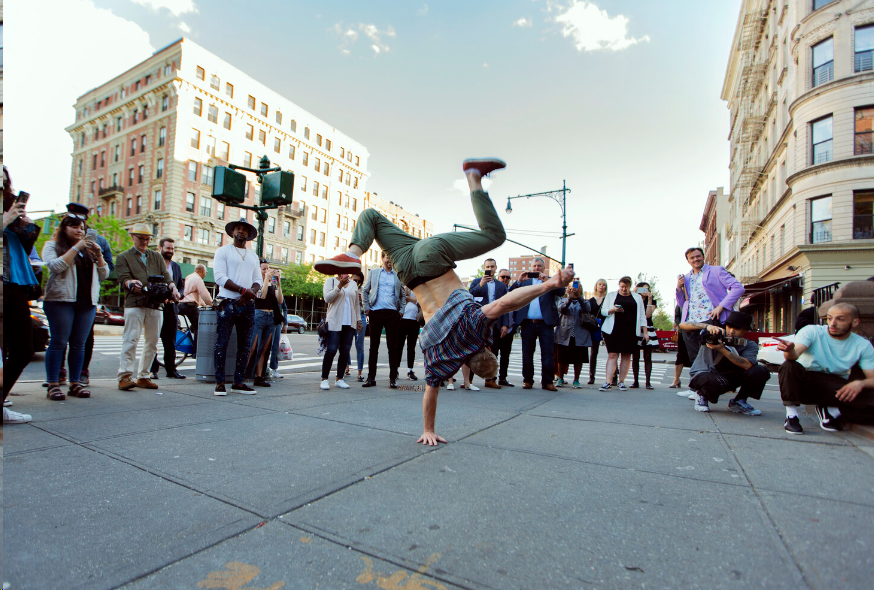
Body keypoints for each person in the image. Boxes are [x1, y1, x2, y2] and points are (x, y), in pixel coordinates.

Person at [314, 158, 576, 445]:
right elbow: (430, 392)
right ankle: (352, 255)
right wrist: (427, 430)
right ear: (469, 365)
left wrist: (550, 284)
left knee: (494, 235)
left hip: (430, 256)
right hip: (407, 271)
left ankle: (356, 250)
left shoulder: (476, 327)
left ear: (486, 349)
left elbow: (506, 303)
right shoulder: (444, 357)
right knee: (373, 217)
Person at [777, 303, 874, 434]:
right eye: (829, 318)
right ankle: (792, 416)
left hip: (836, 386)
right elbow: (794, 356)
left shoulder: (863, 345)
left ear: (855, 322)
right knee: (789, 366)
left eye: (840, 319)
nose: (832, 323)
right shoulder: (812, 331)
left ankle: (832, 410)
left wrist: (860, 383)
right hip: (806, 381)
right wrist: (789, 350)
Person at [42, 215, 109, 400]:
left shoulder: (88, 250)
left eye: (82, 228)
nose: (80, 231)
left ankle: (75, 383)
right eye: (75, 227)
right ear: (64, 228)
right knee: (58, 342)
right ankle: (53, 384)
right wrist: (76, 248)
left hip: (87, 303)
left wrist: (99, 254)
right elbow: (55, 266)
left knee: (79, 345)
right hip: (61, 300)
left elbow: (104, 274)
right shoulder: (52, 245)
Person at [55, 202, 115, 386]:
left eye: (80, 221)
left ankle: (82, 372)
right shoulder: (60, 240)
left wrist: (97, 257)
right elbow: (53, 264)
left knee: (84, 337)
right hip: (64, 294)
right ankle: (58, 373)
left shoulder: (99, 241)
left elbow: (108, 270)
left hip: (87, 294)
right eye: (72, 221)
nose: (78, 226)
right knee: (61, 337)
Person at [115, 224, 180, 391]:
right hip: (134, 303)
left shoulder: (155, 257)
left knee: (152, 342)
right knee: (131, 340)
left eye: (147, 239)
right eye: (140, 238)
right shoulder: (124, 257)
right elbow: (122, 278)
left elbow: (166, 276)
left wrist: (172, 287)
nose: (144, 241)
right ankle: (125, 376)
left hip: (155, 304)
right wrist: (130, 283)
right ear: (133, 237)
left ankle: (144, 375)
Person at [2, 166, 38, 423]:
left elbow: (22, 249)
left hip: (15, 282)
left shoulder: (9, 208)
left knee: (22, 349)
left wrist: (23, 225)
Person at [212, 217, 263, 396]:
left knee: (245, 345)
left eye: (244, 229)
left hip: (247, 305)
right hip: (227, 302)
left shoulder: (253, 256)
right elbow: (219, 277)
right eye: (238, 228)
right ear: (232, 232)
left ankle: (238, 382)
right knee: (222, 344)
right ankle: (220, 383)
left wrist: (251, 292)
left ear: (249, 235)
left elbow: (258, 280)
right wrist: (243, 291)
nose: (241, 231)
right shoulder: (223, 251)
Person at [684, 311, 770, 414]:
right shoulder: (714, 335)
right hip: (706, 374)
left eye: (737, 329)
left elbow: (747, 365)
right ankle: (701, 395)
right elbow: (683, 325)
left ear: (745, 330)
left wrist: (722, 349)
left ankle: (739, 401)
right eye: (729, 327)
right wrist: (707, 326)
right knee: (711, 380)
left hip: (729, 376)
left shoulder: (749, 345)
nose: (731, 331)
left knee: (761, 371)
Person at [675, 247, 745, 363]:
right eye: (692, 258)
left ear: (703, 257)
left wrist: (721, 306)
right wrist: (678, 288)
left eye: (698, 256)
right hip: (692, 323)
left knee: (713, 360)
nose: (695, 259)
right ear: (688, 261)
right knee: (695, 362)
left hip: (711, 320)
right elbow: (682, 303)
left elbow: (738, 288)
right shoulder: (686, 277)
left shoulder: (717, 271)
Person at [510, 257, 567, 391]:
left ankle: (547, 382)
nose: (537, 268)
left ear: (543, 267)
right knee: (527, 353)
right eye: (534, 266)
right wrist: (519, 280)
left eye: (539, 266)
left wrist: (548, 281)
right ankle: (527, 380)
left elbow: (562, 291)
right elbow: (511, 292)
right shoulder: (525, 281)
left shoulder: (550, 280)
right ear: (531, 268)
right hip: (528, 323)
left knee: (547, 353)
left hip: (545, 323)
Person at [361, 251, 406, 388]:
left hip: (393, 314)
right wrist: (367, 307)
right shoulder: (374, 273)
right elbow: (364, 290)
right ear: (382, 258)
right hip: (375, 312)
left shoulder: (398, 276)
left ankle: (393, 378)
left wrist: (401, 311)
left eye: (392, 258)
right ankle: (371, 378)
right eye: (387, 257)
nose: (389, 261)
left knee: (393, 347)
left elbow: (403, 295)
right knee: (373, 347)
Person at [469, 259, 513, 389]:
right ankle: (468, 380)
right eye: (488, 266)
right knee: (473, 350)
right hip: (479, 321)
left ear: (495, 268)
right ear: (484, 267)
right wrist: (481, 284)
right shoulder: (477, 282)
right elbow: (470, 295)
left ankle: (490, 379)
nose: (490, 268)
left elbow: (505, 305)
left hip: (496, 323)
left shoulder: (501, 286)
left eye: (492, 266)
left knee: (493, 352)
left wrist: (505, 324)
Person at [599, 276, 647, 391]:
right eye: (621, 287)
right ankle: (608, 381)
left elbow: (642, 315)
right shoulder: (611, 295)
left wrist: (645, 332)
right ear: (619, 285)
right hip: (613, 329)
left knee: (626, 356)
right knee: (612, 355)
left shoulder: (637, 297)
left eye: (626, 287)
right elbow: (603, 311)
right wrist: (613, 310)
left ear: (630, 286)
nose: (624, 289)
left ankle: (621, 381)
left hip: (630, 330)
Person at [150, 238, 185, 379]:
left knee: (170, 341)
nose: (170, 251)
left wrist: (179, 295)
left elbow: (181, 284)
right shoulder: (154, 264)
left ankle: (171, 370)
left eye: (172, 248)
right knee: (153, 339)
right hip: (156, 307)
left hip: (171, 307)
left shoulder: (176, 266)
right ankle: (152, 370)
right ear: (160, 248)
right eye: (167, 248)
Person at [320, 272, 361, 389]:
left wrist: (358, 320)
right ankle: (324, 378)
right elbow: (327, 299)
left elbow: (356, 304)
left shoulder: (353, 284)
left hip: (350, 322)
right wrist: (339, 286)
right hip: (335, 321)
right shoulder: (331, 281)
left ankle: (339, 378)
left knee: (345, 351)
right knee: (331, 350)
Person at [247, 260, 283, 388]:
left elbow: (280, 300)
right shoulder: (256, 282)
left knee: (265, 349)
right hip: (259, 315)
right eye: (263, 269)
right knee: (252, 347)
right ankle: (243, 375)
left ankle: (259, 376)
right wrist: (266, 279)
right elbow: (261, 296)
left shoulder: (271, 283)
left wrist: (278, 284)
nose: (266, 271)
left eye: (268, 269)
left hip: (271, 317)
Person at [554, 283, 592, 389]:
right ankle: (560, 378)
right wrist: (569, 299)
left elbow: (587, 309)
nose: (575, 289)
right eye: (573, 288)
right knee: (562, 357)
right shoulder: (563, 300)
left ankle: (576, 380)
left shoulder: (584, 301)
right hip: (564, 332)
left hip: (580, 333)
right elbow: (561, 309)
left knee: (578, 358)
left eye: (578, 287)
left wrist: (579, 297)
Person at [178, 263, 213, 357]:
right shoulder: (198, 279)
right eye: (205, 272)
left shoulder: (190, 277)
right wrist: (212, 304)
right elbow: (204, 294)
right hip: (190, 306)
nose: (205, 274)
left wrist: (203, 304)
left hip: (181, 304)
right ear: (202, 271)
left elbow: (197, 295)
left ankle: (190, 339)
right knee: (199, 327)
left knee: (194, 325)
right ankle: (196, 352)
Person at [630, 281, 659, 390]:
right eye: (643, 289)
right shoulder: (634, 299)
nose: (646, 291)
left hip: (648, 328)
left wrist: (650, 300)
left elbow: (648, 315)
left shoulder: (652, 300)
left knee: (648, 357)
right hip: (637, 328)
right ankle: (635, 381)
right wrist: (634, 292)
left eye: (648, 289)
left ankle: (648, 382)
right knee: (635, 357)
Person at [491, 269, 517, 387]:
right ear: (498, 277)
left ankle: (503, 378)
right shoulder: (496, 290)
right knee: (494, 353)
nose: (505, 279)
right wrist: (503, 325)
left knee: (506, 355)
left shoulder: (512, 291)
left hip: (511, 328)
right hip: (497, 327)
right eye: (503, 277)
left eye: (508, 277)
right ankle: (491, 378)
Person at [397, 287, 421, 380]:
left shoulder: (418, 289)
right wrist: (406, 293)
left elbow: (420, 301)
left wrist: (408, 298)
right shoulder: (403, 287)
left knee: (411, 347)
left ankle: (410, 370)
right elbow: (400, 298)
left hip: (414, 321)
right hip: (402, 320)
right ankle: (396, 369)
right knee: (399, 346)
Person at [587, 279, 608, 385]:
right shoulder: (590, 300)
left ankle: (614, 375)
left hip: (607, 326)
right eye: (600, 284)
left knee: (611, 353)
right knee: (593, 352)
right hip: (594, 327)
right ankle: (592, 376)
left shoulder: (608, 299)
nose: (601, 286)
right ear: (596, 286)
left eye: (604, 285)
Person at [670, 303, 692, 390]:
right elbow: (677, 317)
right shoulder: (681, 303)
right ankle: (676, 379)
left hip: (695, 331)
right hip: (683, 331)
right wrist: (682, 325)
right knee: (680, 355)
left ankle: (693, 380)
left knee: (694, 355)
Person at [351, 274, 368, 382]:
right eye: (354, 279)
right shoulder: (346, 287)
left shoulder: (363, 291)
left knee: (359, 345)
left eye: (358, 281)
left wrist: (363, 301)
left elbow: (368, 308)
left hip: (361, 317)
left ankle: (359, 372)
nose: (356, 282)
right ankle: (346, 367)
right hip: (349, 317)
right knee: (345, 345)